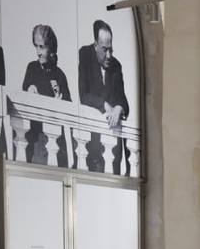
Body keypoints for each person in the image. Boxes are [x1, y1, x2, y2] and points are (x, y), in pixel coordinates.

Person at [77, 20, 130, 174]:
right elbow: (84, 95)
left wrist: (119, 108)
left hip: (112, 145)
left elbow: (124, 102)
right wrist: (105, 105)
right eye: (104, 49)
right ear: (95, 45)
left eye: (111, 50)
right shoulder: (85, 54)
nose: (109, 55)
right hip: (91, 142)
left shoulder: (116, 66)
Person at [21, 24, 71, 166]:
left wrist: (61, 102)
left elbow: (68, 104)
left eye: (42, 47)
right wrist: (29, 90)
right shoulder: (31, 68)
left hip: (55, 139)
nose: (38, 52)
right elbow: (24, 92)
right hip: (34, 137)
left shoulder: (59, 74)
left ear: (51, 47)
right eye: (36, 46)